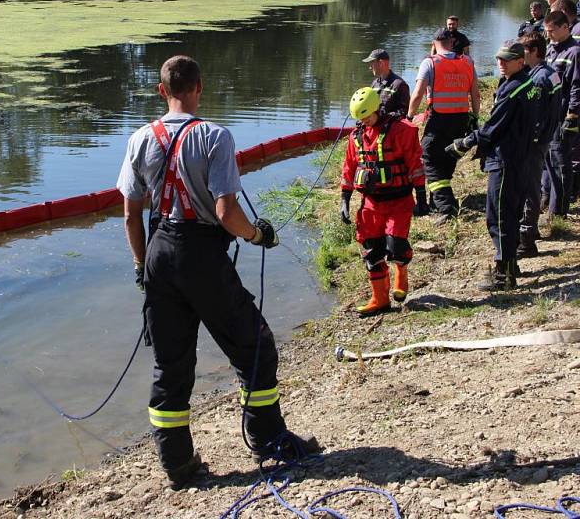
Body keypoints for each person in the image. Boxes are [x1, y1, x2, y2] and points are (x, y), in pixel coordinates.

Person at [116, 55, 318, 489]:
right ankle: (268, 441)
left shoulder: (138, 139)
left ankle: (178, 466)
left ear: (161, 90)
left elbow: (132, 216)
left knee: (170, 366)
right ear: (200, 87)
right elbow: (227, 212)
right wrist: (257, 236)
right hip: (201, 255)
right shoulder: (214, 137)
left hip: (157, 255)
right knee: (255, 347)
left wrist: (140, 268)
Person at [446, 41, 539, 291]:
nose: (500, 63)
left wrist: (463, 143)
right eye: (499, 59)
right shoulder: (528, 83)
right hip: (521, 158)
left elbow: (492, 129)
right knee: (511, 213)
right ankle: (512, 264)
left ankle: (504, 275)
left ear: (520, 61)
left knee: (498, 218)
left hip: (506, 161)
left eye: (506, 59)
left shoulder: (514, 89)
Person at [340, 87, 427, 315]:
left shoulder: (401, 131)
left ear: (378, 108)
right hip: (371, 204)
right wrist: (344, 199)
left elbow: (415, 164)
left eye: (367, 116)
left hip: (398, 201)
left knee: (396, 246)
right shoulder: (356, 138)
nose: (365, 121)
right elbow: (349, 169)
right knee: (372, 251)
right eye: (360, 118)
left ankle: (401, 272)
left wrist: (421, 196)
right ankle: (380, 299)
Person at [408, 27, 480, 221]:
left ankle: (447, 207)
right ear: (451, 43)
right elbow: (475, 93)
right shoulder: (467, 62)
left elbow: (417, 94)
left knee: (428, 159)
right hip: (461, 119)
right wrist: (475, 116)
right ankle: (435, 202)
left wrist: (409, 116)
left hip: (439, 119)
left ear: (434, 44)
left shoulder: (430, 63)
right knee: (447, 158)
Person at [518, 32, 562, 258]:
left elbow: (535, 115)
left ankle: (526, 238)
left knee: (529, 188)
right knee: (534, 185)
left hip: (535, 142)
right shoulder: (551, 73)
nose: (520, 56)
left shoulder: (537, 79)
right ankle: (530, 230)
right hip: (546, 137)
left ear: (534, 51)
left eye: (523, 52)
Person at [542, 10, 580, 217]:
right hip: (548, 116)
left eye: (552, 31)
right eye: (546, 31)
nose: (549, 35)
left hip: (563, 116)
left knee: (560, 164)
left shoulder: (574, 52)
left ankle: (559, 212)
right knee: (546, 162)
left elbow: (576, 87)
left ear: (565, 27)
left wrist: (572, 116)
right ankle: (546, 199)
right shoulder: (551, 50)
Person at [362, 48, 411, 116]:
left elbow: (405, 112)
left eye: (372, 63)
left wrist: (383, 117)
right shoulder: (374, 83)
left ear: (381, 63)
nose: (370, 67)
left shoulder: (399, 85)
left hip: (391, 126)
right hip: (375, 125)